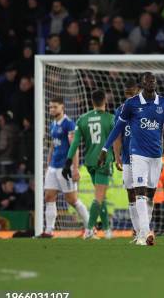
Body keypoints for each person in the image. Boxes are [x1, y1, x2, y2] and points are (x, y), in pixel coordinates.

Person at [99, 72, 164, 246]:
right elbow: (117, 129)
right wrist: (106, 148)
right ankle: (144, 232)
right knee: (135, 192)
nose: (151, 84)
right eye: (148, 81)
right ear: (142, 84)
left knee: (149, 196)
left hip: (156, 155)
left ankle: (142, 231)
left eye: (153, 81)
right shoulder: (130, 104)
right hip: (136, 155)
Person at [63, 89, 115, 239]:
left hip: (90, 162)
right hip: (104, 161)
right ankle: (89, 229)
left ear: (92, 102)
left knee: (101, 196)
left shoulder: (82, 119)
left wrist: (68, 162)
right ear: (105, 100)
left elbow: (75, 143)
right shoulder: (110, 119)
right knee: (98, 197)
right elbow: (118, 140)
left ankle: (106, 230)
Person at [40, 97, 89, 238]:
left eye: (55, 107)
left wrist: (75, 168)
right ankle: (49, 231)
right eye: (50, 107)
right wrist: (48, 164)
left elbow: (75, 147)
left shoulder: (69, 124)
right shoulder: (53, 124)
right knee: (49, 197)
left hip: (65, 167)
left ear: (62, 107)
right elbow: (53, 145)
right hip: (53, 167)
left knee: (72, 200)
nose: (52, 110)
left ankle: (90, 227)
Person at [113, 78, 141, 242]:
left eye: (133, 92)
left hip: (143, 156)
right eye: (128, 93)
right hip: (127, 158)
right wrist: (117, 157)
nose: (131, 95)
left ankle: (144, 228)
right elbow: (117, 136)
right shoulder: (120, 110)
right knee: (131, 193)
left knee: (143, 193)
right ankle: (137, 231)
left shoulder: (146, 108)